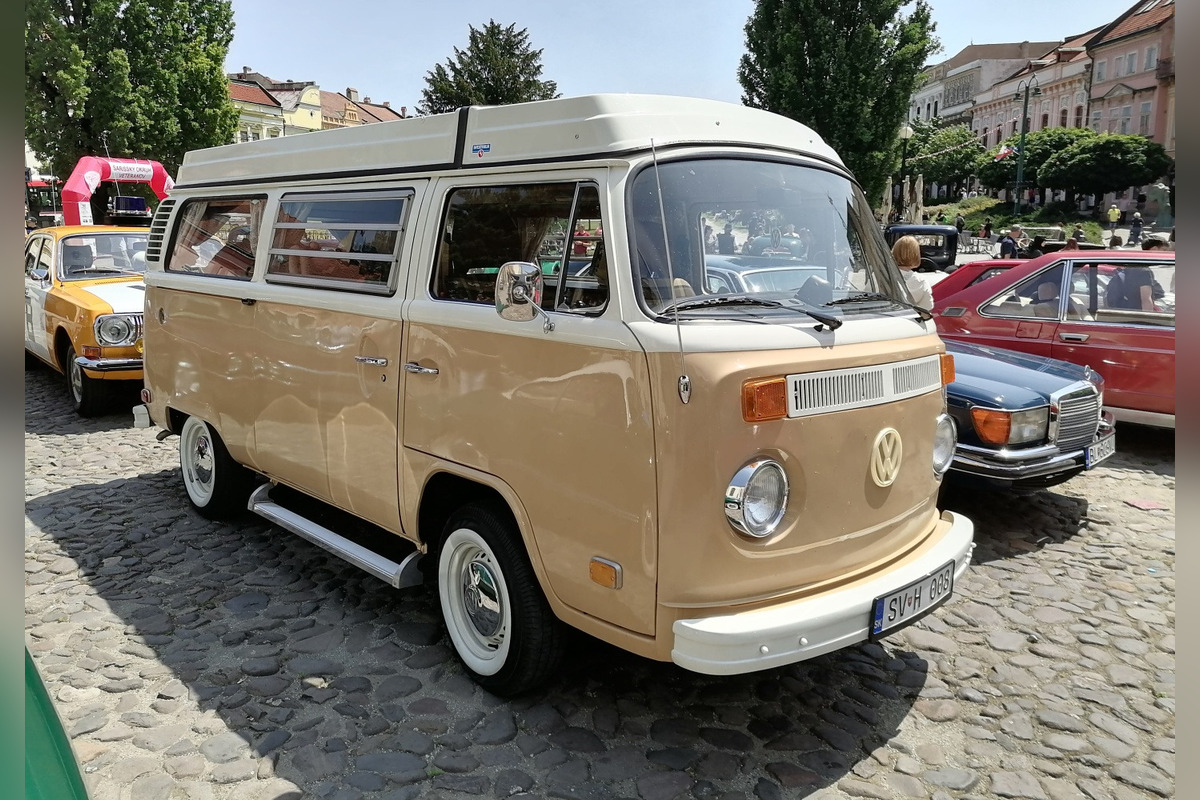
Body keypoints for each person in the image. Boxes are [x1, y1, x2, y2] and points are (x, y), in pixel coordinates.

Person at [890, 235, 933, 310]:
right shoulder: (921, 281)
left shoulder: (879, 276)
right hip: (909, 319)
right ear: (916, 255)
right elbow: (927, 307)